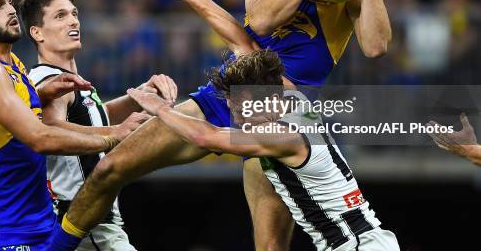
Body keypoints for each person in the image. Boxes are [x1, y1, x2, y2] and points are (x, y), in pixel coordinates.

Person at [54, 0, 391, 251]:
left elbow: (376, 46)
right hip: (226, 95)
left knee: (269, 247)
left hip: (282, 113)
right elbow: (260, 22)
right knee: (110, 169)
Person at [126, 49, 400, 251]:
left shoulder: (284, 135)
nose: (238, 118)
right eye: (233, 109)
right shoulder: (296, 103)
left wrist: (160, 109)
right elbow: (259, 60)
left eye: (243, 108)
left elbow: (204, 137)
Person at [0, 0, 148, 250]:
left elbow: (14, 115)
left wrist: (42, 94)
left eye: (10, 2)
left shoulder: (14, 67)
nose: (10, 11)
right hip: (6, 231)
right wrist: (113, 136)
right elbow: (40, 138)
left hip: (40, 225)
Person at [19, 0, 177, 250]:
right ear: (37, 33)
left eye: (74, 13)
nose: (73, 20)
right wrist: (115, 132)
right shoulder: (49, 80)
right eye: (60, 16)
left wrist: (137, 96)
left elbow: (90, 116)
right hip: (85, 222)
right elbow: (51, 127)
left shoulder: (67, 80)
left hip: (93, 222)